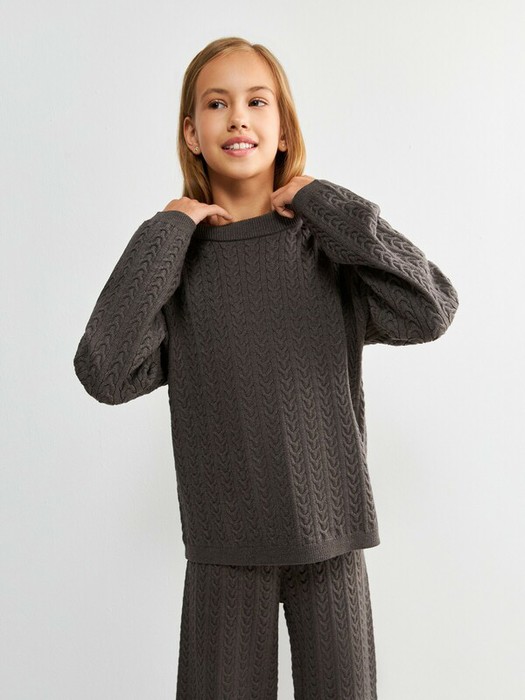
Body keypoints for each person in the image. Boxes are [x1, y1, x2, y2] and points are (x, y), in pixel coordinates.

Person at [73, 36, 459, 700]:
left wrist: (325, 201)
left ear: (283, 128)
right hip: (224, 545)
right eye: (216, 104)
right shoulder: (178, 261)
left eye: (257, 102)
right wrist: (167, 230)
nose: (238, 118)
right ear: (191, 133)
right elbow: (104, 371)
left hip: (331, 536)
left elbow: (431, 308)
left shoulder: (325, 246)